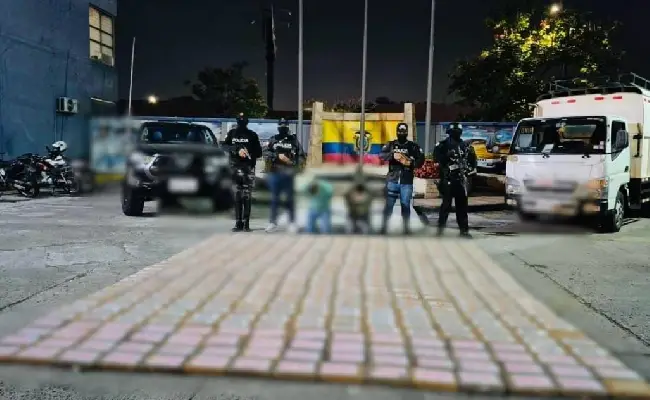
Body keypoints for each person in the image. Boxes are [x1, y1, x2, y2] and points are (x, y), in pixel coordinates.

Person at [378, 122, 425, 235]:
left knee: (405, 205)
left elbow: (421, 159)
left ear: (407, 132)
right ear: (396, 132)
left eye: (403, 132)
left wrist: (410, 163)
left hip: (406, 180)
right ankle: (383, 228)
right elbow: (381, 155)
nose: (401, 134)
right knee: (389, 205)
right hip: (392, 179)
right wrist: (392, 155)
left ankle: (406, 229)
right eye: (399, 131)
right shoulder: (391, 144)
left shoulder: (413, 146)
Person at [434, 122, 477, 238]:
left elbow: (473, 161)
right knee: (446, 206)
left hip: (461, 180)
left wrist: (472, 169)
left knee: (462, 207)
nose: (456, 134)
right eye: (454, 132)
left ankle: (464, 231)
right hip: (448, 179)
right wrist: (446, 156)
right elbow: (437, 159)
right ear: (449, 133)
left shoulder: (465, 146)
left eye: (458, 132)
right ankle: (440, 231)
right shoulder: (442, 145)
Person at [223, 113, 263, 232]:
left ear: (247, 122)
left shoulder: (252, 135)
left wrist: (248, 152)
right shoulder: (232, 133)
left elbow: (259, 153)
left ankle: (246, 223)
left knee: (246, 196)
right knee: (237, 196)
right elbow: (224, 146)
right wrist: (237, 150)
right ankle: (238, 222)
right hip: (235, 167)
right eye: (239, 120)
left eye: (243, 120)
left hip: (248, 168)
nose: (241, 122)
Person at [265, 118, 305, 233]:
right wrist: (276, 156)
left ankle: (292, 222)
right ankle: (273, 223)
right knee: (274, 199)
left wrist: (292, 163)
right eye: (281, 125)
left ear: (288, 127)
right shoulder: (273, 139)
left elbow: (301, 156)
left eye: (285, 126)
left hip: (289, 173)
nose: (283, 128)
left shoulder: (293, 140)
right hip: (275, 172)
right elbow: (266, 152)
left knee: (290, 199)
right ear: (278, 127)